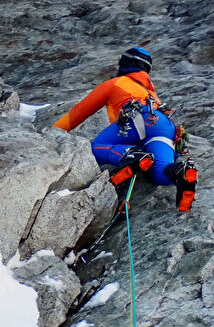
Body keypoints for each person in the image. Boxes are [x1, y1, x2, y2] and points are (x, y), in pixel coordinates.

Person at [52, 46, 198, 211]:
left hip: (136, 118)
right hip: (165, 125)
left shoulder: (115, 83)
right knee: (160, 171)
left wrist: (51, 133)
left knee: (95, 148)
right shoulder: (151, 93)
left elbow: (78, 113)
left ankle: (132, 156)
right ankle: (181, 172)